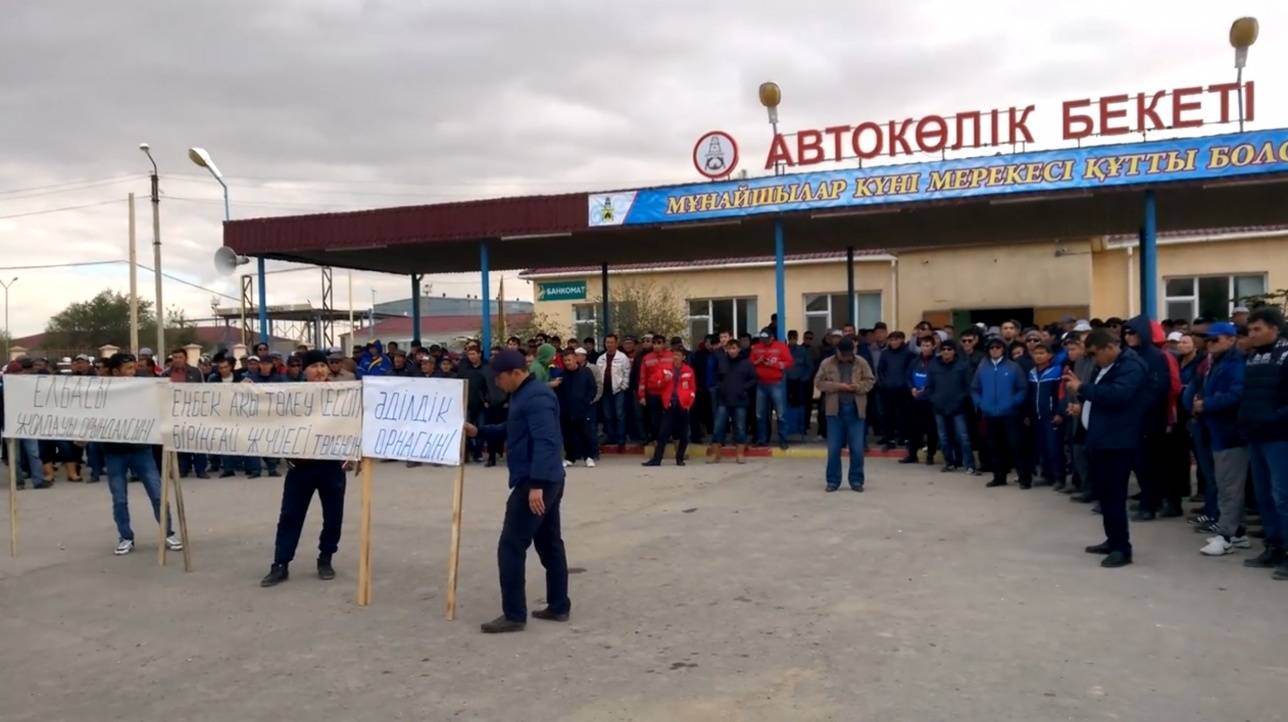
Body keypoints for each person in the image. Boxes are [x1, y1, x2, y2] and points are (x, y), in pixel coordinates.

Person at [464, 349, 569, 633]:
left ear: (515, 372)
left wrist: (536, 485)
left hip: (536, 483)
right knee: (549, 544)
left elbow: (547, 442)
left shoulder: (536, 397)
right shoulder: (525, 394)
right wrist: (479, 432)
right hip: (546, 480)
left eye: (499, 378)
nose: (497, 383)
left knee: (510, 546)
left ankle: (514, 615)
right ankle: (558, 605)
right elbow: (513, 429)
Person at [259, 350, 348, 587]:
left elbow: (354, 424)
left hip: (331, 465)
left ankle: (326, 557)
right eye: (313, 366)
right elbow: (276, 423)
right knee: (290, 515)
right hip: (301, 466)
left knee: (333, 516)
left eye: (322, 365)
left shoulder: (343, 395)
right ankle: (280, 563)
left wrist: (351, 454)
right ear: (304, 371)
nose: (319, 370)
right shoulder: (291, 396)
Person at [1065, 329, 1148, 568]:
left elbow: (1117, 396)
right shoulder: (1104, 367)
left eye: (1094, 354)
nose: (1092, 359)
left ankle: (1122, 548)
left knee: (1114, 495)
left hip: (1118, 441)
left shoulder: (1131, 366)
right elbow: (1099, 398)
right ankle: (1113, 540)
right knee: (1106, 495)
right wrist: (1082, 408)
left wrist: (1081, 388)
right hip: (1101, 438)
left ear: (1110, 348)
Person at [101, 353, 182, 556]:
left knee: (157, 494)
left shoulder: (143, 388)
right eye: (128, 369)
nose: (133, 372)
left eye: (133, 368)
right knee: (119, 499)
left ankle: (168, 533)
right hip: (114, 452)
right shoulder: (101, 392)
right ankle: (126, 537)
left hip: (141, 449)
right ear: (115, 372)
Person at [1187, 323, 1249, 556]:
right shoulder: (1217, 362)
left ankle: (1226, 536)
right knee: (1225, 484)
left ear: (1231, 339)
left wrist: (1207, 404)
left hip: (1230, 432)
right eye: (1208, 340)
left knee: (1229, 486)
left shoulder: (1234, 364)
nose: (1209, 344)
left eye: (1215, 340)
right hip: (1217, 430)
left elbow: (1236, 394)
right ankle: (1238, 532)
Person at [1238, 307, 1288, 578]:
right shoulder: (1254, 357)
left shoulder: (1286, 355)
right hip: (1256, 436)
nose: (1251, 334)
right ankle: (1274, 546)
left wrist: (1270, 419)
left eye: (1257, 329)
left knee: (1284, 497)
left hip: (1280, 438)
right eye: (1250, 329)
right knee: (1265, 496)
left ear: (1275, 328)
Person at [1122, 314, 1175, 520]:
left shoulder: (1155, 356)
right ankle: (1149, 499)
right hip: (1134, 417)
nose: (1128, 337)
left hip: (1150, 417)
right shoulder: (1131, 354)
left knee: (1149, 462)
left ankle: (1150, 506)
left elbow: (1159, 386)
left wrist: (1138, 406)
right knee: (1140, 463)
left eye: (1132, 333)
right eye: (1126, 333)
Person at [815, 337, 876, 491]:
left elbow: (870, 381)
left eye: (849, 354)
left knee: (856, 448)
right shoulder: (827, 363)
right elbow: (819, 383)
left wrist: (857, 387)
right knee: (834, 448)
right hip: (834, 411)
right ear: (837, 351)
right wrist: (838, 386)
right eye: (844, 354)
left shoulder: (861, 362)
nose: (847, 357)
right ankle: (833, 481)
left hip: (856, 410)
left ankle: (856, 480)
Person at [972, 337, 1030, 488]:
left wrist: (1013, 402)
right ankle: (999, 477)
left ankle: (1024, 478)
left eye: (998, 347)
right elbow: (975, 388)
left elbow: (1022, 388)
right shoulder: (982, 368)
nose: (995, 350)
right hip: (990, 414)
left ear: (1003, 349)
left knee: (1016, 446)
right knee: (995, 447)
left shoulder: (1013, 367)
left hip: (1010, 414)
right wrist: (980, 403)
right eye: (992, 348)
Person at [927, 341, 976, 474]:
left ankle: (970, 465)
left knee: (963, 437)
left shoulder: (962, 366)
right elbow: (929, 387)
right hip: (939, 407)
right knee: (943, 438)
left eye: (949, 349)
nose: (946, 351)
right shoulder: (933, 366)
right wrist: (934, 400)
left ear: (954, 351)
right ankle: (949, 463)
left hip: (958, 408)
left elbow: (967, 387)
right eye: (944, 349)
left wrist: (960, 401)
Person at [643, 347, 697, 466]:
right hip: (669, 405)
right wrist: (663, 381)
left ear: (683, 357)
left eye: (678, 355)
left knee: (684, 434)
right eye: (674, 355)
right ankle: (657, 459)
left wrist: (689, 403)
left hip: (683, 405)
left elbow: (692, 388)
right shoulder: (665, 369)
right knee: (663, 433)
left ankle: (680, 458)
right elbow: (652, 384)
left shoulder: (688, 370)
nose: (676, 357)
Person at [710, 338, 757, 464]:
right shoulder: (722, 362)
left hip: (740, 401)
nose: (731, 351)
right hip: (724, 400)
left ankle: (740, 454)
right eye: (729, 348)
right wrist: (720, 387)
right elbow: (716, 377)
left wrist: (743, 388)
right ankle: (715, 454)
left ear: (739, 349)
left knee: (740, 428)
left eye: (734, 348)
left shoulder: (746, 363)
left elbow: (753, 379)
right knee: (718, 427)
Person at [1027, 343, 1066, 487]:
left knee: (1054, 447)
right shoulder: (1031, 373)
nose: (1038, 356)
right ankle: (1046, 475)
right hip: (1037, 416)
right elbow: (1030, 396)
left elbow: (1061, 395)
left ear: (1050, 355)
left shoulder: (1057, 371)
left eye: (1042, 353)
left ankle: (1059, 478)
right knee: (1042, 447)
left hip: (1051, 416)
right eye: (1036, 353)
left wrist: (1059, 413)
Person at [750, 331, 793, 449]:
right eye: (762, 340)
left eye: (766, 339)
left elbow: (789, 363)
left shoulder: (781, 347)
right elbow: (750, 363)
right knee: (760, 414)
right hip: (761, 383)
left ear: (772, 338)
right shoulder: (756, 347)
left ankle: (783, 440)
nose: (764, 342)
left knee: (781, 414)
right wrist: (757, 362)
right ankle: (762, 439)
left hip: (776, 383)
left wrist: (775, 364)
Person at [555, 350, 597, 468]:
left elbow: (592, 388)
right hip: (567, 410)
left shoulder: (586, 372)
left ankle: (589, 457)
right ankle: (570, 458)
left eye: (569, 360)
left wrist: (587, 400)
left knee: (585, 433)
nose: (567, 363)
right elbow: (559, 392)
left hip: (582, 409)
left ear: (575, 359)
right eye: (565, 360)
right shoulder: (562, 375)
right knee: (568, 435)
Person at [902, 335, 939, 466]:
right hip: (915, 399)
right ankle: (912, 454)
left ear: (934, 346)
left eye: (928, 345)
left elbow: (938, 380)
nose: (925, 348)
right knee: (913, 428)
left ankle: (930, 455)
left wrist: (926, 389)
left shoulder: (937, 361)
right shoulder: (915, 361)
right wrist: (911, 388)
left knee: (931, 430)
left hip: (930, 401)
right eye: (923, 345)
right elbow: (907, 377)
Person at [876, 331, 913, 450]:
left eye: (896, 339)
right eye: (891, 340)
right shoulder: (885, 354)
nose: (894, 342)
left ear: (902, 340)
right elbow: (880, 370)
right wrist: (883, 383)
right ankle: (889, 439)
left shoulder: (908, 354)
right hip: (888, 390)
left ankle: (905, 437)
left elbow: (911, 370)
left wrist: (907, 384)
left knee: (904, 415)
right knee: (888, 416)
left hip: (904, 389)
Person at [595, 334, 631, 452]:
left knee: (620, 415)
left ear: (616, 343)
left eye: (611, 342)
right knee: (607, 415)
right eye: (607, 342)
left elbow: (627, 373)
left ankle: (621, 439)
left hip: (618, 390)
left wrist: (623, 386)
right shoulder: (601, 358)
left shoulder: (623, 357)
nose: (609, 344)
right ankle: (611, 437)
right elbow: (597, 374)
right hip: (605, 391)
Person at [459, 347, 489, 463]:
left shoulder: (486, 368)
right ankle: (466, 454)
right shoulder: (464, 369)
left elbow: (489, 386)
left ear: (479, 354)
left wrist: (487, 399)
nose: (471, 356)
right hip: (467, 404)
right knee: (466, 429)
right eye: (469, 354)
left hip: (481, 405)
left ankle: (478, 453)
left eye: (473, 354)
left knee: (480, 428)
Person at [786, 329, 814, 440]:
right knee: (787, 406)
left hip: (800, 383)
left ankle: (802, 429)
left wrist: (804, 379)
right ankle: (789, 429)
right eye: (790, 337)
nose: (792, 340)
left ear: (797, 338)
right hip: (787, 382)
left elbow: (810, 367)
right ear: (788, 338)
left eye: (794, 337)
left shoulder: (803, 351)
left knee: (802, 406)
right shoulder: (785, 350)